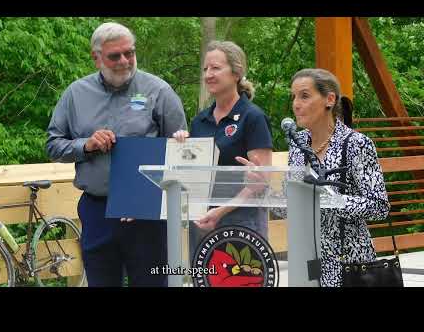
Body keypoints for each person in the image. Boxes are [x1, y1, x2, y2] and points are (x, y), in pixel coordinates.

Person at [46, 22, 187, 287]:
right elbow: (53, 145)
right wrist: (85, 146)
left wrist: (149, 197)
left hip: (146, 214)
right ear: (96, 57)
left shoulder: (159, 91)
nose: (124, 61)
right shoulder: (76, 94)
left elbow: (180, 154)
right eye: (115, 56)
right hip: (97, 210)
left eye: (130, 53)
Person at [283, 68, 390, 287]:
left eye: (304, 95)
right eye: (293, 97)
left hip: (350, 263)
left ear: (329, 99)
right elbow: (291, 204)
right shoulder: (297, 144)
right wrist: (263, 187)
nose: (296, 104)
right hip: (307, 258)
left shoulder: (356, 143)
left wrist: (330, 200)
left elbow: (379, 205)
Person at [173, 40, 273, 241]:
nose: (208, 74)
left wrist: (220, 211)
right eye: (205, 69)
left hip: (241, 223)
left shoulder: (253, 117)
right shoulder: (200, 121)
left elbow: (262, 180)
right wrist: (181, 147)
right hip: (202, 222)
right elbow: (194, 172)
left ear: (236, 73)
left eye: (216, 68)